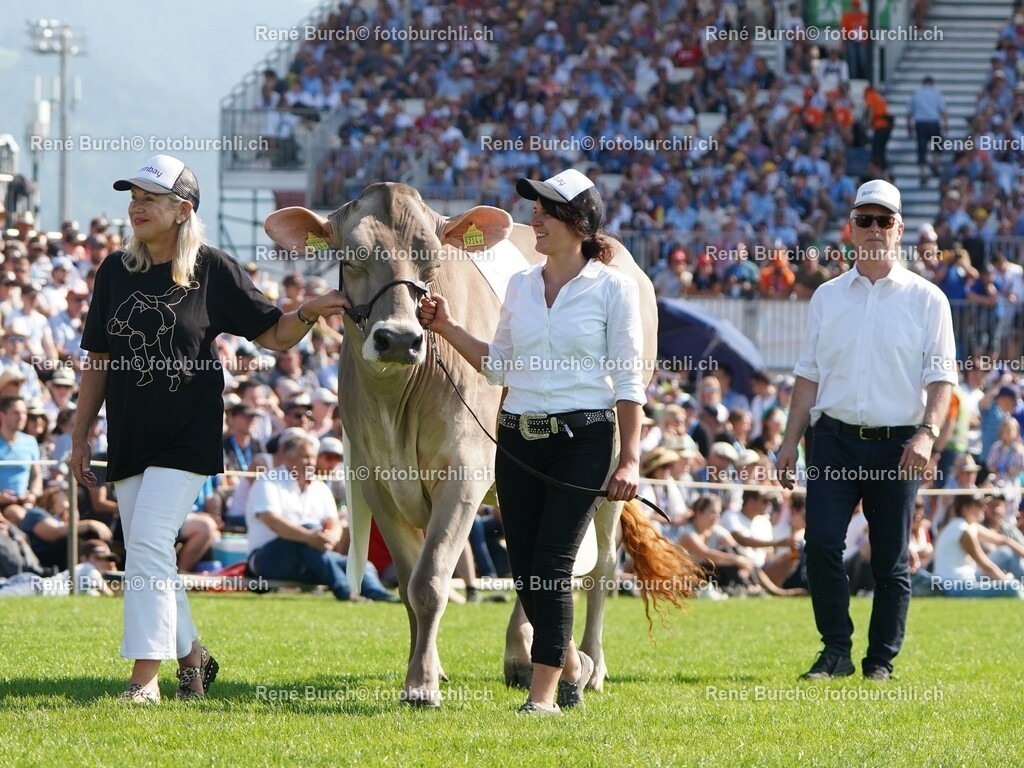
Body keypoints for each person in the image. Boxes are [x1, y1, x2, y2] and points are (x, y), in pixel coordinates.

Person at [71, 155, 350, 705]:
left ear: (183, 209)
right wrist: (81, 435)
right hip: (128, 436)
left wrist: (311, 308)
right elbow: (98, 358)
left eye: (150, 197)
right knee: (147, 553)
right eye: (134, 195)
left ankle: (144, 681)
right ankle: (193, 656)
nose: (137, 205)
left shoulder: (213, 268)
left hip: (188, 436)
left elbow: (272, 335)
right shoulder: (112, 271)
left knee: (149, 541)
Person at [418, 169, 648, 715]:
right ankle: (570, 662)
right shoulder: (521, 284)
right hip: (517, 436)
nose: (534, 219)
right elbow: (499, 365)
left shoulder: (614, 289)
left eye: (545, 210)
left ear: (580, 223)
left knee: (550, 565)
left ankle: (542, 697)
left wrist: (632, 458)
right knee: (524, 571)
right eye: (536, 208)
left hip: (583, 439)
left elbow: (630, 383)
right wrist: (445, 327)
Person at [777, 179, 957, 681]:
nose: (874, 229)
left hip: (899, 443)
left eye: (884, 221)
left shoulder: (929, 300)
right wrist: (789, 443)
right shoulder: (827, 298)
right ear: (851, 228)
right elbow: (808, 374)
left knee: (890, 561)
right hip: (832, 439)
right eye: (865, 220)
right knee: (820, 545)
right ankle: (835, 650)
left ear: (899, 229)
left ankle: (880, 661)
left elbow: (942, 378)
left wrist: (926, 434)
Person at [245, 431, 397, 602]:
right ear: (287, 456)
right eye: (305, 457)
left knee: (362, 566)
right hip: (265, 560)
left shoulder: (319, 487)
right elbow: (272, 520)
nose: (310, 462)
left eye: (312, 457)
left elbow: (334, 521)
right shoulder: (267, 481)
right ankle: (345, 592)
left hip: (312, 557)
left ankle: (382, 596)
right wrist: (310, 537)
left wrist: (332, 536)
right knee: (309, 532)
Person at [931, 494, 1024, 597]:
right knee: (1013, 589)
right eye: (979, 505)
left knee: (1005, 553)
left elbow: (1004, 540)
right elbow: (985, 564)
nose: (983, 508)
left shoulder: (968, 526)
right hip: (955, 587)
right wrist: (1005, 582)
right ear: (966, 508)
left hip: (967, 579)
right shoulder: (961, 530)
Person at [906, 76, 948, 186]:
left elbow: (909, 112)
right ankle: (935, 162)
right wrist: (946, 124)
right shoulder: (936, 93)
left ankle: (922, 172)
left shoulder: (916, 93)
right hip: (933, 122)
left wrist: (909, 127)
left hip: (920, 123)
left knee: (922, 148)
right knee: (938, 145)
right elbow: (943, 110)